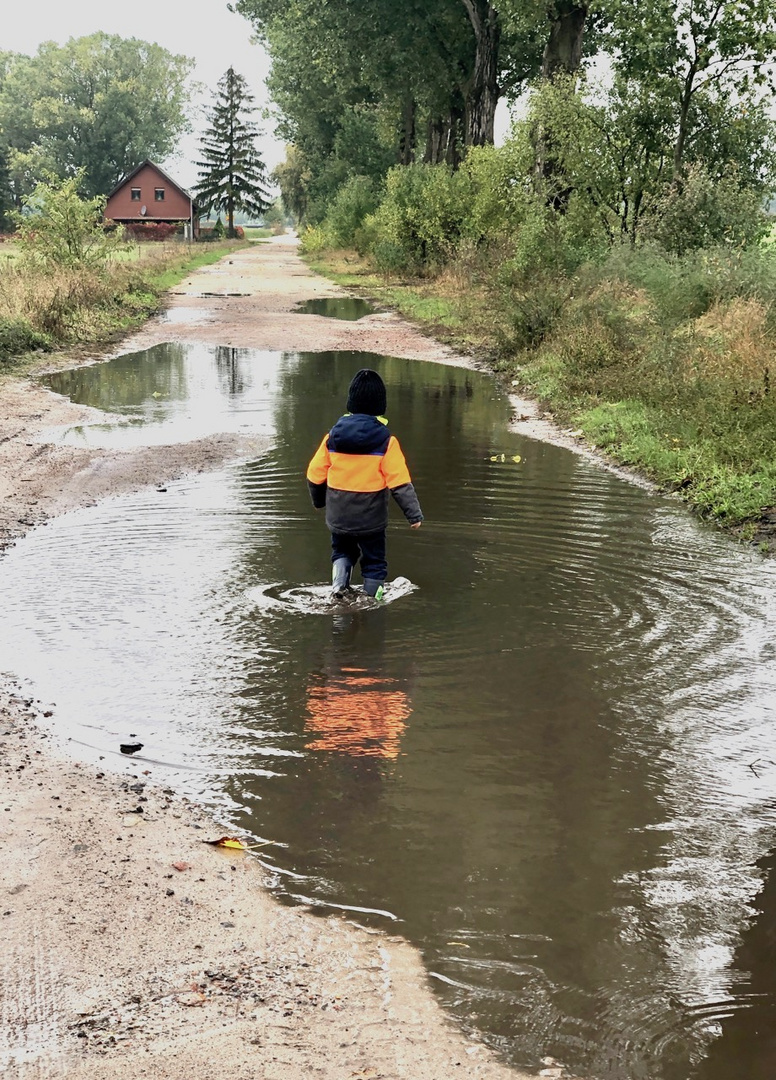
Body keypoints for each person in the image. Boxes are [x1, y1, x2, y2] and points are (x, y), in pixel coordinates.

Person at [306, 368, 423, 599]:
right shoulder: (386, 441)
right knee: (374, 562)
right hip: (371, 520)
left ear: (350, 402)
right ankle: (372, 603)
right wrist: (414, 515)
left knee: (341, 551)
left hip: (339, 516)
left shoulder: (332, 438)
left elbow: (314, 474)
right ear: (381, 406)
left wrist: (319, 502)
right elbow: (399, 483)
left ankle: (339, 588)